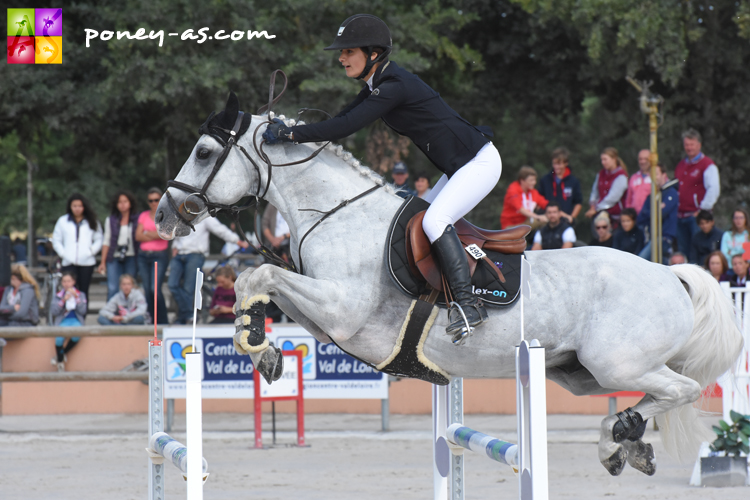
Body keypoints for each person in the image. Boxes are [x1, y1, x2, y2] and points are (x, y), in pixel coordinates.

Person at [261, 14, 501, 337]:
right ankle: (429, 299)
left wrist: (290, 135)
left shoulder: (394, 87)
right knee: (416, 220)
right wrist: (292, 130)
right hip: (461, 166)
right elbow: (342, 118)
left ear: (373, 54)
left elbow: (344, 128)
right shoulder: (379, 83)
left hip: (480, 163)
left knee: (432, 222)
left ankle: (469, 306)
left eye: (348, 51)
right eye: (342, 52)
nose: (341, 58)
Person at [170, 218, 248, 325]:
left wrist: (237, 241)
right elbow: (177, 233)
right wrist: (174, 246)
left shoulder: (204, 216)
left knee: (188, 288)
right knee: (172, 285)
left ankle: (185, 316)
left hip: (195, 254)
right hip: (179, 253)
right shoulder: (180, 214)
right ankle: (188, 314)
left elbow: (220, 229)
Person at [51, 193, 103, 309]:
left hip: (86, 262)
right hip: (68, 262)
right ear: (70, 206)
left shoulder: (92, 221)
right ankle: (67, 314)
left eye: (80, 206)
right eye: (74, 206)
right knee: (68, 289)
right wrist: (64, 253)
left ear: (84, 207)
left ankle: (82, 316)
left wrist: (91, 252)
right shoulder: (63, 221)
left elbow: (99, 239)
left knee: (83, 290)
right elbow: (56, 240)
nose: (77, 208)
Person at [674, 128, 720, 256]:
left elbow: (714, 188)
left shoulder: (707, 165)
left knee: (697, 253)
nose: (689, 148)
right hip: (681, 216)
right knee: (684, 252)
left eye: (692, 144)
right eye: (686, 145)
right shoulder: (681, 165)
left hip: (696, 217)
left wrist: (702, 210)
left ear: (699, 145)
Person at [98, 190, 139, 300]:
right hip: (114, 257)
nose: (122, 204)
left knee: (129, 286)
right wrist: (103, 262)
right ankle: (111, 314)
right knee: (113, 287)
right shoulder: (110, 220)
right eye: (119, 202)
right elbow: (106, 241)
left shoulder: (137, 219)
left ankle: (129, 313)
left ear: (130, 203)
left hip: (132, 256)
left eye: (125, 201)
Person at [136, 188, 169, 324]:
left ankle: (162, 321)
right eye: (151, 200)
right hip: (143, 256)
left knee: (154, 289)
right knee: (146, 289)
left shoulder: (167, 214)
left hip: (159, 256)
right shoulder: (143, 215)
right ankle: (151, 319)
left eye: (156, 200)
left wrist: (147, 233)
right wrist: (156, 233)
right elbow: (137, 236)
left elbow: (165, 235)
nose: (154, 203)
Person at [636, 163, 678, 263]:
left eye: (657, 174)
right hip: (651, 238)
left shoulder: (671, 192)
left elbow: (661, 213)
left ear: (664, 174)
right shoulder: (651, 196)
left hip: (664, 238)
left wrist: (650, 212)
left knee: (640, 260)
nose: (654, 177)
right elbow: (640, 218)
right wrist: (655, 210)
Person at [536, 147, 582, 224]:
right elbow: (538, 198)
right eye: (554, 163)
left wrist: (571, 218)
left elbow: (578, 203)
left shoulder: (573, 181)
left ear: (566, 163)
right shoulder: (545, 180)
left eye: (559, 164)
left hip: (565, 221)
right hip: (547, 221)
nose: (556, 167)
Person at [49, 270, 86, 365]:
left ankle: (60, 356)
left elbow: (83, 311)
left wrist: (76, 298)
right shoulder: (57, 296)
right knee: (59, 338)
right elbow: (54, 311)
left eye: (69, 281)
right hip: (63, 320)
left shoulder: (81, 294)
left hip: (75, 320)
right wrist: (63, 300)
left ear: (73, 282)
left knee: (77, 335)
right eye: (64, 281)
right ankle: (60, 361)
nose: (66, 284)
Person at [585, 147, 628, 227]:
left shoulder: (621, 176)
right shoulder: (601, 174)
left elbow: (613, 197)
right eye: (602, 160)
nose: (603, 162)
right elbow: (595, 191)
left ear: (614, 159)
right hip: (600, 213)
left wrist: (596, 208)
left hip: (616, 215)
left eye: (605, 159)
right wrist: (592, 206)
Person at [625, 149, 653, 214]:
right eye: (640, 159)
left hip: (650, 216)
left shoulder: (656, 176)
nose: (642, 161)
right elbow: (628, 199)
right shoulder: (634, 177)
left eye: (646, 159)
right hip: (635, 216)